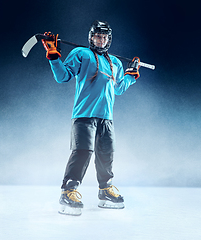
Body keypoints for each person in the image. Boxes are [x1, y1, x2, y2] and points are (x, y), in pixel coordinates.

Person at [42, 20, 141, 215]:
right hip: (84, 115)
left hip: (106, 118)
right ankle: (68, 191)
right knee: (82, 151)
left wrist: (130, 76)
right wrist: (54, 57)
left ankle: (105, 190)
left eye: (104, 37)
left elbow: (118, 88)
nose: (101, 40)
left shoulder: (116, 63)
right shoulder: (81, 54)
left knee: (107, 153)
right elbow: (63, 76)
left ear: (108, 39)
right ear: (91, 37)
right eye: (97, 36)